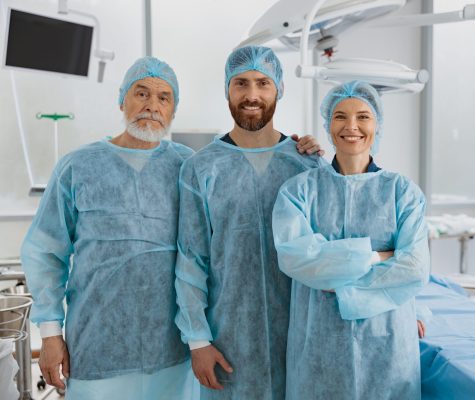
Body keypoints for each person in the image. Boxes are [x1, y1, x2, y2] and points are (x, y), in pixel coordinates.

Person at [20, 56, 199, 400]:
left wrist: (295, 147)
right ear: (122, 100)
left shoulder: (187, 167)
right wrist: (50, 333)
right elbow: (45, 252)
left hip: (173, 350)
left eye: (164, 98)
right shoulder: (79, 166)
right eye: (141, 93)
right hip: (98, 344)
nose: (152, 106)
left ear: (173, 110)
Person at [174, 45, 326, 399]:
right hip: (229, 342)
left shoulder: (307, 164)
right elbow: (190, 259)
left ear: (280, 89)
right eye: (241, 83)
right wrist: (198, 340)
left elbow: (333, 250)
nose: (252, 95)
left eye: (263, 83)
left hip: (302, 336)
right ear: (227, 90)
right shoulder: (200, 168)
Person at [272, 80, 430, 399]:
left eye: (363, 116)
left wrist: (332, 267)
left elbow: (414, 267)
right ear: (328, 125)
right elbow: (297, 259)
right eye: (341, 116)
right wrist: (378, 257)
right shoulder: (298, 191)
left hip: (387, 347)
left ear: (378, 125)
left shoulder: (402, 192)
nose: (352, 126)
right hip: (317, 348)